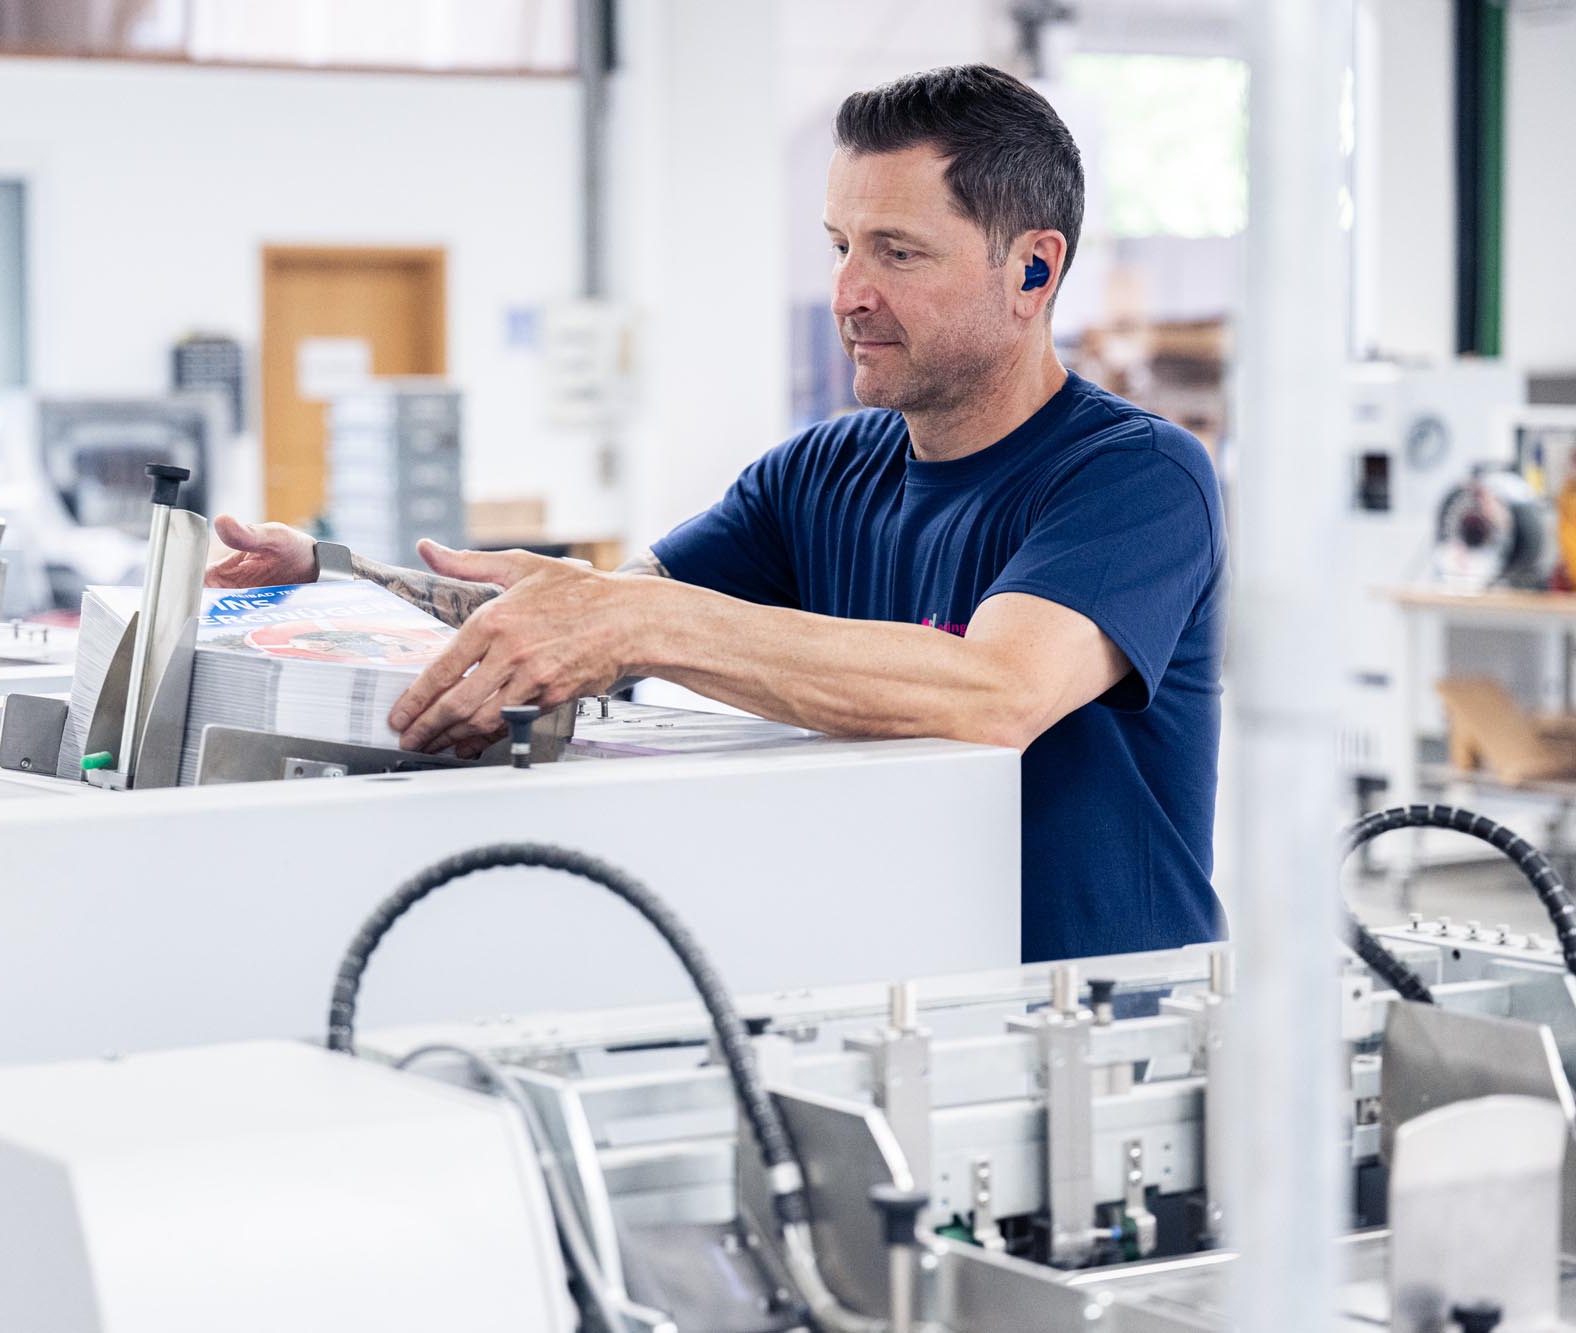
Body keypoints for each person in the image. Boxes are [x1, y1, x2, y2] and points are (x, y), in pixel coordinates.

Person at [207, 64, 1226, 963]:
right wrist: (344, 584)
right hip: (900, 987)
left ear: (1033, 270)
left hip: (1102, 1021)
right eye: (838, 246)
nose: (847, 292)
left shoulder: (1134, 477)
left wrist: (639, 621)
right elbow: (603, 616)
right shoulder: (821, 471)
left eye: (896, 253)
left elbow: (998, 692)